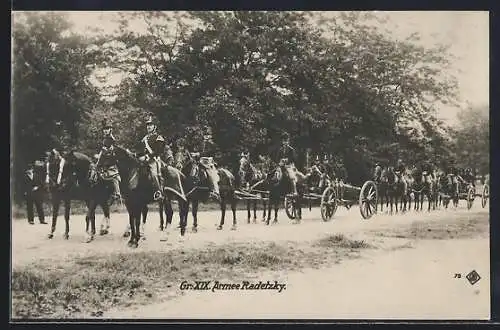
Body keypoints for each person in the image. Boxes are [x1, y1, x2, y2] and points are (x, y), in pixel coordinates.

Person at [139, 115, 166, 201]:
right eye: (148, 125)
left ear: (155, 127)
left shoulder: (159, 137)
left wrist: (148, 156)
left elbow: (159, 150)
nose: (149, 127)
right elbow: (141, 151)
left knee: (154, 174)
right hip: (144, 160)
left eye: (151, 125)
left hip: (154, 160)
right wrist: (135, 155)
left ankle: (159, 192)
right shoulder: (145, 138)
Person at [95, 120, 121, 201]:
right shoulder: (105, 139)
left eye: (107, 129)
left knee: (114, 176)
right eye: (104, 129)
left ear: (110, 130)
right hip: (104, 161)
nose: (105, 130)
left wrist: (102, 154)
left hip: (111, 161)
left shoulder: (111, 139)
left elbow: (110, 152)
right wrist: (98, 156)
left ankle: (117, 193)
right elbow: (102, 151)